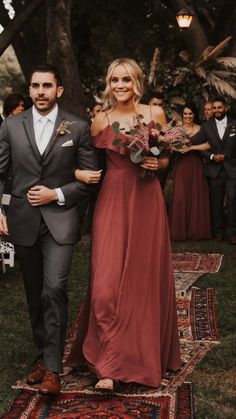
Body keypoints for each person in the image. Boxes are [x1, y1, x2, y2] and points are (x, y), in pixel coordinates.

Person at [65, 58, 181, 390]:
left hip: (146, 199)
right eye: (115, 79)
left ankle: (117, 366)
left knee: (142, 281)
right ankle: (106, 357)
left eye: (126, 80)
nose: (120, 85)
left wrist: (158, 162)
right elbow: (78, 160)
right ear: (108, 83)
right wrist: (77, 174)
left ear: (136, 83)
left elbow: (166, 157)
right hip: (112, 201)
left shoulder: (152, 114)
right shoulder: (100, 119)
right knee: (105, 286)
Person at [0, 64, 99, 395]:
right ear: (29, 91)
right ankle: (42, 356)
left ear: (58, 90)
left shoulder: (78, 127)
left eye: (47, 86)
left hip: (60, 220)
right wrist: (0, 209)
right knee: (33, 294)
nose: (40, 91)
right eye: (35, 86)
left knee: (53, 288)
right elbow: (2, 173)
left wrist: (56, 194)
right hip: (23, 220)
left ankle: (54, 370)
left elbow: (89, 179)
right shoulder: (11, 126)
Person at [192, 97, 236, 244]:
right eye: (215, 108)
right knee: (216, 202)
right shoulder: (206, 126)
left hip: (232, 170)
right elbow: (196, 145)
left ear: (226, 108)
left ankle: (232, 232)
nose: (217, 110)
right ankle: (218, 231)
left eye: (219, 107)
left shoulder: (234, 124)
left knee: (232, 200)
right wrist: (211, 156)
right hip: (215, 170)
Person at [168, 103, 211, 241]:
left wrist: (191, 147)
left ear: (195, 115)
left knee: (196, 195)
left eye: (190, 113)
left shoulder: (202, 128)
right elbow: (169, 146)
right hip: (182, 164)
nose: (188, 116)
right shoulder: (177, 129)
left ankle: (196, 231)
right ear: (182, 115)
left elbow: (209, 144)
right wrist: (177, 148)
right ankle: (180, 231)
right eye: (185, 114)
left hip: (197, 164)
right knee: (181, 196)